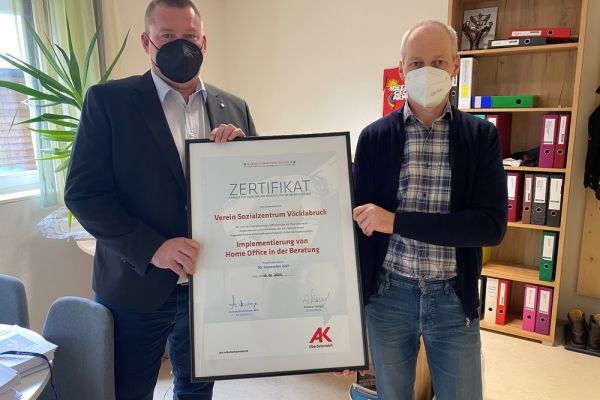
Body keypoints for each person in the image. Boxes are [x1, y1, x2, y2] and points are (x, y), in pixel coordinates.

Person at [64, 0, 256, 398]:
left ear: (203, 42)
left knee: (197, 390)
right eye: (167, 36)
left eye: (189, 37)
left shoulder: (235, 108)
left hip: (209, 286)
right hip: (135, 287)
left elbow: (254, 193)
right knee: (129, 391)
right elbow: (83, 194)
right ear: (146, 42)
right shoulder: (108, 102)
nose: (179, 46)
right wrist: (153, 248)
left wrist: (243, 158)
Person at [352, 20, 507, 399]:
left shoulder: (480, 137)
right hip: (387, 297)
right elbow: (359, 231)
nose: (428, 71)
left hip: (453, 298)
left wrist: (396, 222)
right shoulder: (373, 138)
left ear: (455, 66)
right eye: (417, 63)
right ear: (401, 69)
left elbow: (489, 227)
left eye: (438, 62)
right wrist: (349, 320)